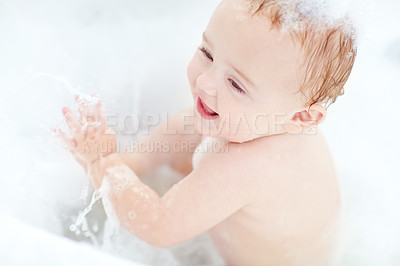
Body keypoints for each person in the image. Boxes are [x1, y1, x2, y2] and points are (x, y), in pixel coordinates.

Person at [57, 0, 357, 264]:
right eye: (208, 53)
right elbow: (178, 135)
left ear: (302, 117)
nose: (204, 83)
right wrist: (124, 164)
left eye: (236, 84)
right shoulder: (252, 117)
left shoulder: (248, 165)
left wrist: (103, 163)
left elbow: (158, 225)